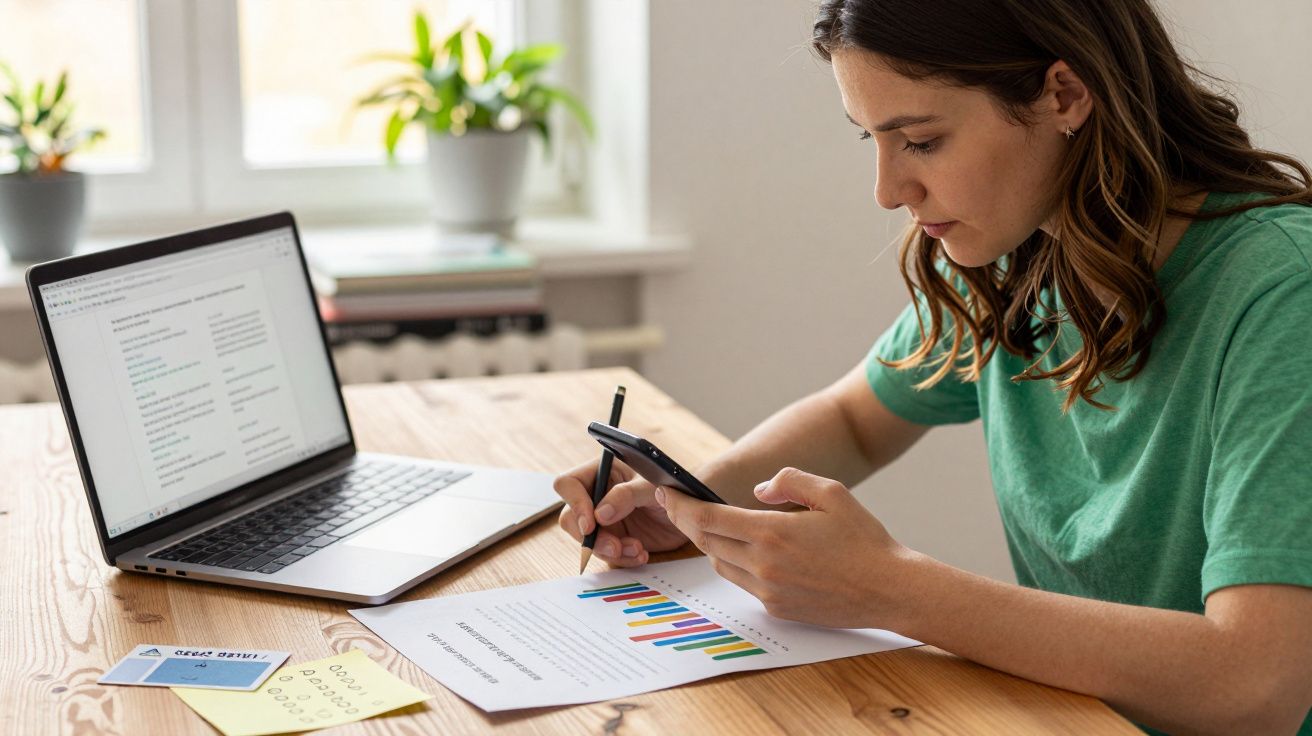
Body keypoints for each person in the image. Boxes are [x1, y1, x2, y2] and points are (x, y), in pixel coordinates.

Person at [552, 1, 1312, 733]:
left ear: (1064, 94)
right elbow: (855, 420)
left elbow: (1256, 688)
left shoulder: (1285, 294)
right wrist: (690, 500)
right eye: (871, 138)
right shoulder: (1017, 252)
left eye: (920, 140)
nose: (888, 192)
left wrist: (890, 588)